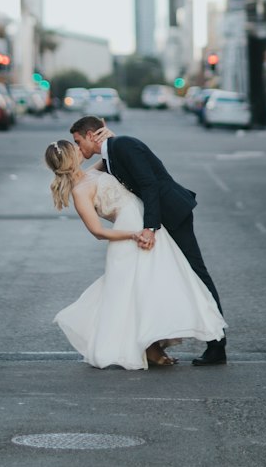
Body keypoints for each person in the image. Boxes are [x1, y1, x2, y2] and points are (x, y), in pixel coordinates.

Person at [45, 139, 225, 371]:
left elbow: (113, 156)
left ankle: (154, 343)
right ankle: (149, 346)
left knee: (156, 284)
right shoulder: (79, 191)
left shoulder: (90, 173)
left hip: (146, 226)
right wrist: (134, 235)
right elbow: (98, 232)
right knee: (137, 290)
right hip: (131, 233)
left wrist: (111, 138)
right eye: (75, 148)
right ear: (70, 158)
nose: (81, 149)